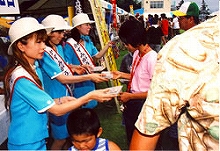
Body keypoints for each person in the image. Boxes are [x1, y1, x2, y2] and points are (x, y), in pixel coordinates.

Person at [4, 17, 117, 150]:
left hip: (33, 139)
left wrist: (59, 100)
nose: (43, 46)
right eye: (38, 42)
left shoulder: (30, 69)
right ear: (21, 46)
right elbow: (56, 111)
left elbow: (36, 102)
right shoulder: (22, 77)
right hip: (26, 142)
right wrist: (89, 96)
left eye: (43, 42)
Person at [130, 3, 219, 151]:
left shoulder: (184, 49)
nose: (179, 21)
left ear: (191, 19)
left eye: (182, 18)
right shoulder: (180, 46)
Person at [39, 14, 109, 150]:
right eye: (58, 32)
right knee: (59, 139)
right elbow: (62, 77)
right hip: (56, 96)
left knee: (68, 136)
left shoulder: (58, 48)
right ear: (48, 34)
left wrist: (76, 67)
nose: (61, 36)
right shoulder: (45, 53)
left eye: (62, 32)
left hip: (67, 95)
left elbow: (64, 65)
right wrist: (90, 77)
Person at [111, 19, 157, 145]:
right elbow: (137, 76)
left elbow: (155, 91)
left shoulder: (152, 58)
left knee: (142, 138)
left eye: (126, 43)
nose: (125, 46)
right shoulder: (137, 53)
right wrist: (120, 74)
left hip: (143, 103)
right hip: (132, 100)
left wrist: (130, 96)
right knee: (131, 134)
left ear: (135, 40)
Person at [64, 13, 113, 109]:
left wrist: (107, 46)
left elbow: (97, 56)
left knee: (92, 103)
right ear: (78, 27)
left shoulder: (88, 41)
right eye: (87, 24)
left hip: (90, 79)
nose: (89, 27)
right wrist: (79, 67)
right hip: (78, 82)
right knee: (81, 105)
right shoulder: (69, 45)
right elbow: (66, 65)